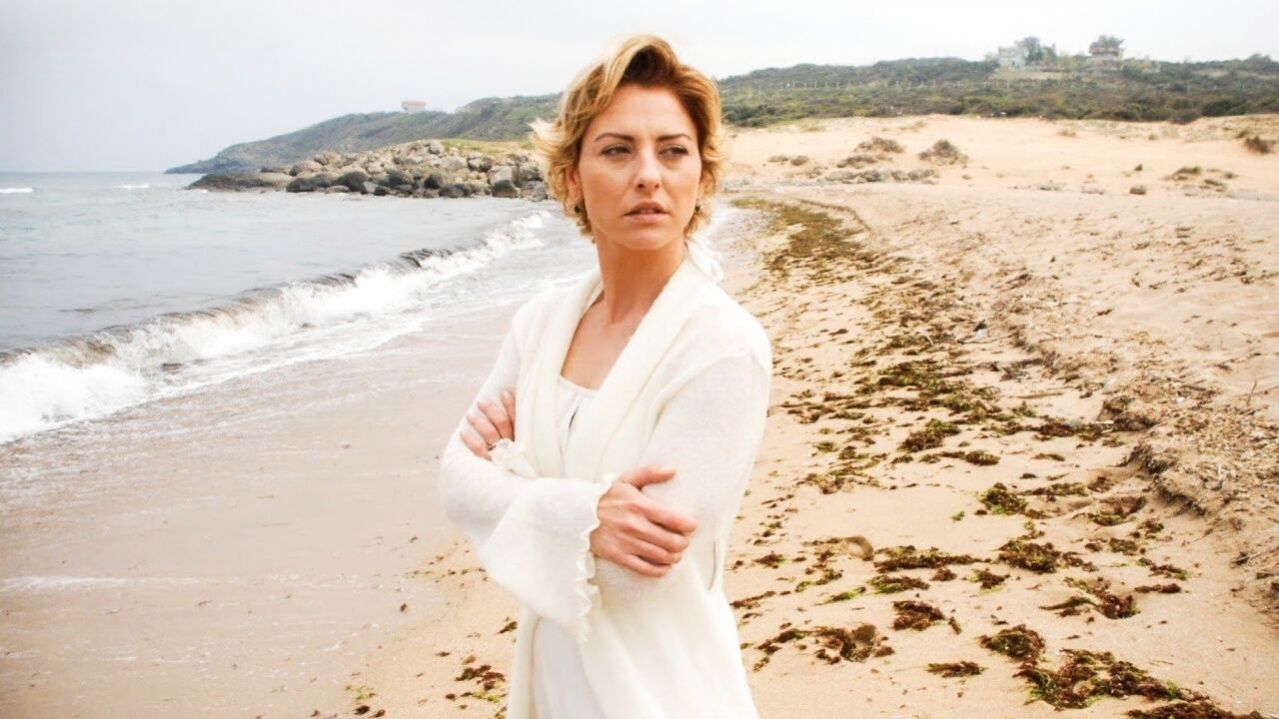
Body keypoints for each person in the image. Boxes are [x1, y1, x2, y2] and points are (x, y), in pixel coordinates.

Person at [437, 33, 772, 719]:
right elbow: (454, 480)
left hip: (662, 693)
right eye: (617, 150)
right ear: (571, 178)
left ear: (701, 176)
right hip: (554, 684)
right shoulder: (540, 325)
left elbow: (636, 574)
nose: (648, 175)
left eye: (672, 151)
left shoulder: (721, 345)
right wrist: (587, 515)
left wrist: (515, 473)